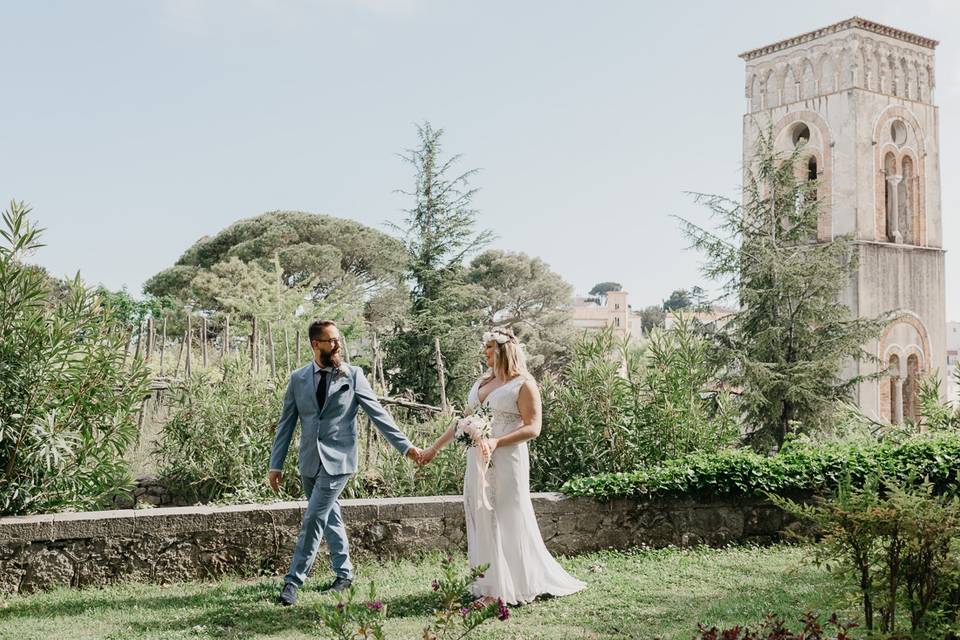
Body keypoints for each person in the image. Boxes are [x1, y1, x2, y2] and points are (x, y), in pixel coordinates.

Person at [420, 327, 587, 605]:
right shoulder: (482, 382)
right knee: (482, 515)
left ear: (503, 350)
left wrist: (498, 441)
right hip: (478, 459)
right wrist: (433, 448)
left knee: (506, 518)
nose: (484, 352)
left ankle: (506, 589)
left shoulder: (523, 384)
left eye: (489, 348)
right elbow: (461, 422)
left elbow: (534, 427)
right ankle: (489, 584)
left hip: (508, 459)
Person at [267, 319, 422, 606]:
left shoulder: (353, 375)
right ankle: (344, 574)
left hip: (339, 462)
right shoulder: (297, 378)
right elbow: (286, 424)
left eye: (338, 339)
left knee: (314, 517)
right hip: (309, 462)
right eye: (331, 341)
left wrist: (407, 447)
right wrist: (276, 465)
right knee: (329, 517)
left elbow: (378, 414)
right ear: (316, 344)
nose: (337, 345)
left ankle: (293, 582)